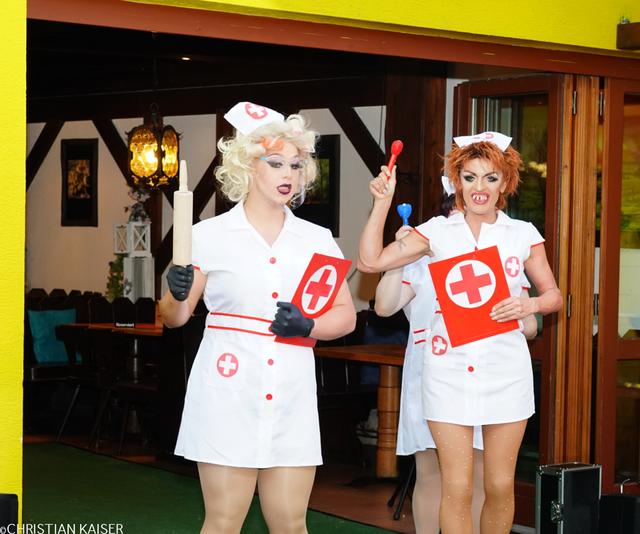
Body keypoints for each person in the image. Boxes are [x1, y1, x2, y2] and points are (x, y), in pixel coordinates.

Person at [159, 102, 356, 534]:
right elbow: (175, 318)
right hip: (228, 392)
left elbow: (345, 316)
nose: (289, 175)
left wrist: (309, 326)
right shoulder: (207, 236)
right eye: (276, 163)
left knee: (291, 523)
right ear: (248, 166)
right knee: (224, 521)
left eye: (296, 165)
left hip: (290, 394)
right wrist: (174, 293)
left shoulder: (317, 239)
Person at [358, 132, 562, 534]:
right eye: (469, 178)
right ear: (457, 182)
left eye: (490, 178)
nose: (479, 188)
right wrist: (382, 203)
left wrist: (530, 305)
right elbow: (370, 261)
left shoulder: (522, 233)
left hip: (506, 373)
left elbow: (553, 295)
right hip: (446, 373)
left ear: (505, 183)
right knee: (457, 486)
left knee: (499, 485)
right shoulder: (436, 231)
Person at [374, 188, 539, 534]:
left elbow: (530, 325)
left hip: (486, 369)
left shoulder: (499, 255)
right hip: (431, 371)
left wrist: (513, 311)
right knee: (431, 473)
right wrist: (397, 257)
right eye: (453, 210)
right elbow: (384, 307)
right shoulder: (421, 256)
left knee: (478, 474)